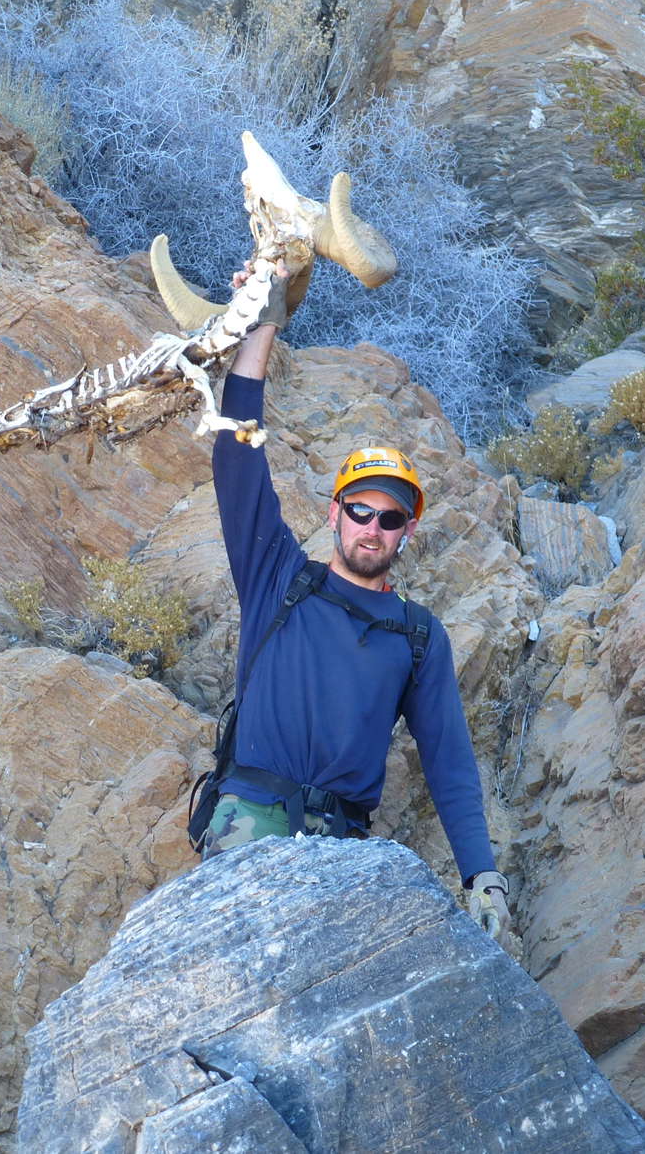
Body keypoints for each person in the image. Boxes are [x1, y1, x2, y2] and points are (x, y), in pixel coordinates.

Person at [196, 313, 511, 938]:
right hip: (246, 829)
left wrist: (483, 877)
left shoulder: (418, 636)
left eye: (390, 519)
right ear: (334, 513)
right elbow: (237, 458)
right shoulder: (278, 577)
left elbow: (449, 764)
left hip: (342, 856)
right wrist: (261, 328)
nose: (373, 527)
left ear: (408, 531)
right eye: (361, 510)